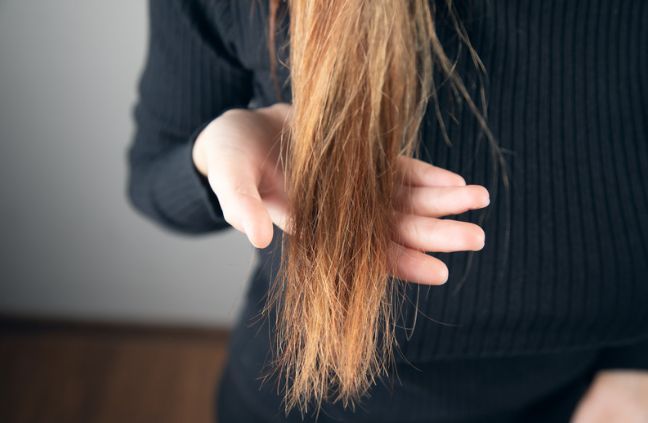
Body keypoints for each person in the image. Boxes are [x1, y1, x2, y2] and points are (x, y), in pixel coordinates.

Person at [126, 0, 648, 421]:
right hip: (307, 400)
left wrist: (635, 367)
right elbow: (152, 174)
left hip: (593, 397)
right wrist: (214, 158)